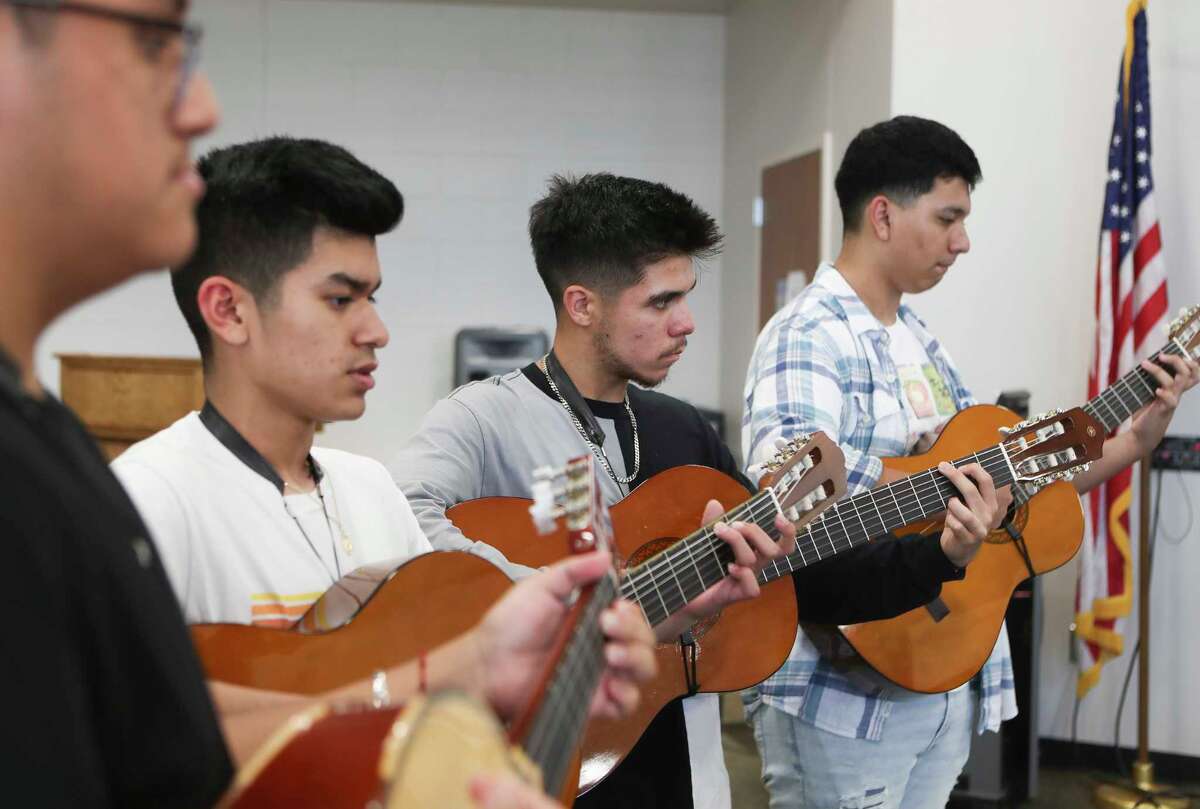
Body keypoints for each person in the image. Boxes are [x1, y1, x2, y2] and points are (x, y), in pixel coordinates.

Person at [0, 4, 652, 807]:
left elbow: (161, 728)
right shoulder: (148, 498)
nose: (376, 332)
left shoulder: (369, 487)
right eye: (341, 299)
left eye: (372, 297)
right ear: (230, 311)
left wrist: (471, 669)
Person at [391, 172, 1007, 809]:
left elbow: (805, 574)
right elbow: (400, 519)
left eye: (686, 297)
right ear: (582, 306)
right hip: (536, 766)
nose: (685, 323)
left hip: (685, 774)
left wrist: (942, 556)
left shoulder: (683, 430)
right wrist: (560, 603)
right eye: (660, 303)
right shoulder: (483, 418)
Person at [741, 115, 1198, 809]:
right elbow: (789, 498)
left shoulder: (920, 338)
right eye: (948, 216)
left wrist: (1138, 435)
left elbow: (1014, 478)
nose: (963, 241)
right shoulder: (808, 334)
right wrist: (938, 486)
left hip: (943, 671)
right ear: (884, 215)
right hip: (845, 689)